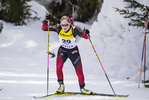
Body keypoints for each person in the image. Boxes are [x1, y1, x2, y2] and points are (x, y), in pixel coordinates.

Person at [42, 15, 93, 94]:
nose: (64, 27)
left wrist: (87, 33)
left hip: (73, 52)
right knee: (58, 68)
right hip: (63, 51)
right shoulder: (58, 28)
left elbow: (87, 37)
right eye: (63, 25)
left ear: (70, 24)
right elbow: (44, 28)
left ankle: (83, 88)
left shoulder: (75, 30)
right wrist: (46, 20)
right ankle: (61, 86)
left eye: (66, 25)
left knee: (79, 72)